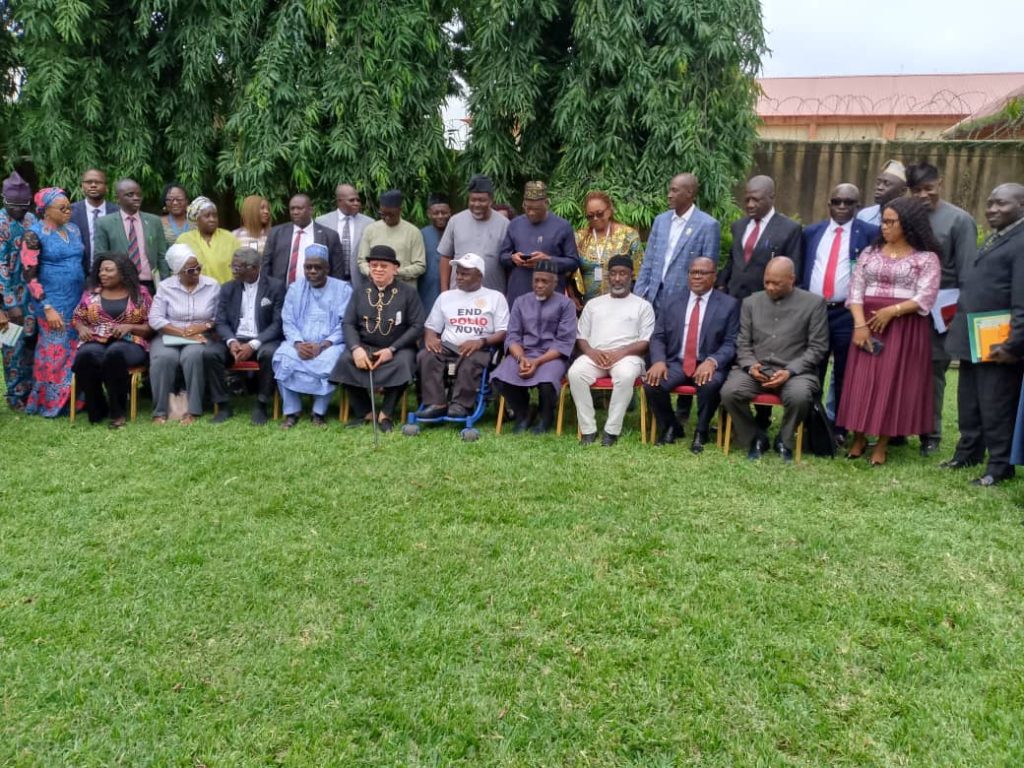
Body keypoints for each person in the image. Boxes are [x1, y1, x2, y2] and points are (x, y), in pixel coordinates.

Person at [837, 197, 941, 466]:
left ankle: (882, 443)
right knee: (862, 379)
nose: (883, 227)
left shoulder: (926, 259)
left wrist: (890, 311)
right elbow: (855, 290)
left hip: (904, 327)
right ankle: (858, 438)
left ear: (907, 224)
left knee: (892, 381)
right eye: (883, 221)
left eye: (890, 222)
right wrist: (860, 325)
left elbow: (925, 297)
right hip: (866, 324)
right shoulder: (870, 253)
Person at [942, 183, 1024, 487]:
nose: (992, 209)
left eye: (1001, 204)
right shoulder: (997, 237)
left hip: (999, 343)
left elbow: (1021, 300)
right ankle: (968, 453)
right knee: (970, 401)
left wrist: (1012, 343)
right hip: (974, 337)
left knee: (996, 405)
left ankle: (1000, 466)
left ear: (1021, 206)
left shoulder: (1021, 241)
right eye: (989, 203)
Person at [720, 257, 828, 462]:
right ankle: (755, 438)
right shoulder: (751, 302)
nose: (770, 287)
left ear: (792, 279)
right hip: (757, 370)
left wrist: (791, 371)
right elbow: (742, 343)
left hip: (795, 372)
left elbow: (817, 347)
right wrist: (751, 366)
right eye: (766, 282)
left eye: (776, 283)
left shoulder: (814, 304)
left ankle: (784, 440)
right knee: (730, 392)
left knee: (799, 396)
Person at [907, 160, 979, 456]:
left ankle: (931, 435)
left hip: (941, 312)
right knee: (904, 371)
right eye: (917, 190)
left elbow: (967, 275)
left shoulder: (959, 221)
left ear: (940, 184)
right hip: (906, 308)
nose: (924, 195)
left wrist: (957, 318)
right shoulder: (907, 216)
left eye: (929, 188)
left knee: (933, 375)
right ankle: (899, 429)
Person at [800, 183, 879, 431]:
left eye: (848, 202)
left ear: (858, 206)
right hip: (815, 311)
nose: (842, 207)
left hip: (847, 314)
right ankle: (811, 423)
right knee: (813, 368)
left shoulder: (870, 233)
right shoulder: (812, 232)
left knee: (845, 371)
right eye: (837, 201)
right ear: (829, 204)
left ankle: (840, 427)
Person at [645, 257, 739, 453]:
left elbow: (731, 342)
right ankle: (671, 426)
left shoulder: (728, 305)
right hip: (676, 362)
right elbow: (658, 336)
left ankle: (701, 431)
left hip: (708, 361)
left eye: (702, 273)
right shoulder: (672, 301)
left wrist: (713, 361)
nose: (697, 276)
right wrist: (659, 361)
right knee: (652, 383)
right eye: (693, 272)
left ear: (713, 277)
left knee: (710, 383)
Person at [330, 244, 425, 432]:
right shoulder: (359, 292)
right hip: (365, 346)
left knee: (404, 364)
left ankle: (386, 414)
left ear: (395, 269)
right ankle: (365, 413)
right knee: (345, 360)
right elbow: (348, 323)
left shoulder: (409, 293)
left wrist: (392, 349)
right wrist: (356, 349)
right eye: (374, 265)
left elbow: (417, 326)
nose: (378, 270)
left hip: (398, 348)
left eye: (383, 266)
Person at [569, 255, 655, 445]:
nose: (617, 278)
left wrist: (619, 354)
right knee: (575, 373)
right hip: (596, 355)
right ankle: (588, 429)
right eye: (614, 274)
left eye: (622, 274)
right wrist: (592, 353)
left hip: (629, 357)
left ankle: (611, 430)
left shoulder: (643, 306)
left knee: (625, 375)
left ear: (631, 276)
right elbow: (581, 337)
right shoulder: (593, 304)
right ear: (608, 276)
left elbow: (646, 342)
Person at [417, 253, 509, 419]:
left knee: (470, 359)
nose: (459, 277)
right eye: (458, 273)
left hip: (481, 346)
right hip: (449, 345)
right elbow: (431, 326)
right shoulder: (446, 297)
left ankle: (461, 405)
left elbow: (503, 331)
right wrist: (430, 337)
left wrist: (481, 341)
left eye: (465, 274)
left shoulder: (495, 297)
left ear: (479, 275)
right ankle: (436, 403)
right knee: (427, 355)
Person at [491, 260, 577, 434]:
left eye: (545, 281)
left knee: (546, 381)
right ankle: (524, 413)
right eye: (536, 280)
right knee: (500, 378)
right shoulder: (520, 302)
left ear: (555, 283)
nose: (539, 285)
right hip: (523, 353)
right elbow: (513, 335)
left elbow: (564, 341)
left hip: (552, 356)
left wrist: (537, 362)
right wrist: (521, 358)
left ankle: (546, 417)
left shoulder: (565, 305)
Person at [22, 187, 86, 416]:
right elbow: (30, 275)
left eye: (69, 206)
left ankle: (75, 401)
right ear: (46, 211)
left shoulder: (74, 229)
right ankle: (48, 403)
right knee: (54, 352)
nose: (68, 211)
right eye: (62, 208)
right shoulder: (34, 234)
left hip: (76, 299)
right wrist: (47, 307)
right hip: (51, 303)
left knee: (74, 351)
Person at [273, 244, 352, 428]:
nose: (312, 271)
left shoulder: (343, 289)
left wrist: (323, 345)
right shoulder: (295, 288)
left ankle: (318, 412)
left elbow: (345, 323)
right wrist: (298, 344)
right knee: (282, 357)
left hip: (330, 345)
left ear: (327, 269)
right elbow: (288, 320)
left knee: (331, 361)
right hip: (299, 344)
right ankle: (292, 411)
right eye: (308, 267)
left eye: (318, 267)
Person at [71, 252, 153, 427]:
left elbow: (151, 326)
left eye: (108, 270)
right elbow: (77, 317)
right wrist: (82, 328)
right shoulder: (91, 294)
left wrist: (130, 327)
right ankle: (97, 408)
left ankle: (117, 412)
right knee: (85, 357)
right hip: (96, 340)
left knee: (114, 354)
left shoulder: (140, 294)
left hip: (131, 342)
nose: (102, 274)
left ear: (122, 272)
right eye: (101, 270)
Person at [147, 243, 223, 424]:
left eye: (198, 268)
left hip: (200, 334)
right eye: (190, 270)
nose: (196, 272)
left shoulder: (212, 285)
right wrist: (182, 332)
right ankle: (160, 411)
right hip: (170, 334)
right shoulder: (165, 287)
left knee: (193, 356)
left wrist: (204, 325)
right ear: (177, 272)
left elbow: (219, 316)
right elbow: (155, 319)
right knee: (163, 359)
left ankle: (193, 410)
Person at [211, 247, 285, 425]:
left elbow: (278, 323)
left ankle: (261, 404)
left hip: (263, 339)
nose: (233, 270)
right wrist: (231, 341)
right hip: (235, 338)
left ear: (254, 268)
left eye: (238, 267)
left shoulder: (275, 287)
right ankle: (222, 405)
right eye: (233, 266)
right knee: (209, 353)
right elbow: (220, 321)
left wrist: (253, 344)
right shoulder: (228, 288)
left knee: (269, 354)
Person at [633, 173, 719, 312]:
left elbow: (708, 271)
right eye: (669, 190)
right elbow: (648, 260)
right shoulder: (660, 220)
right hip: (653, 297)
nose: (669, 195)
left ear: (689, 193)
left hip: (685, 300)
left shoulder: (707, 225)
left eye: (675, 190)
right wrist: (639, 294)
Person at [718, 175, 804, 301]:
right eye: (747, 200)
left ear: (771, 198)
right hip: (734, 299)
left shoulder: (789, 229)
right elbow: (733, 259)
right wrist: (721, 285)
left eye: (756, 200)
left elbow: (794, 271)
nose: (750, 205)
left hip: (766, 301)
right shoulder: (739, 226)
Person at [499, 180, 580, 306]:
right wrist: (513, 258)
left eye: (536, 209)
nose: (531, 212)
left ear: (546, 203)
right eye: (527, 208)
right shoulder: (515, 224)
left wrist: (548, 260)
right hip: (519, 294)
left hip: (551, 297)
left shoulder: (562, 226)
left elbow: (573, 262)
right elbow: (503, 257)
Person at [0, 171, 37, 410]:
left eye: (24, 205)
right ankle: (14, 396)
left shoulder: (31, 220)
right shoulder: (1, 224)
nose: (19, 210)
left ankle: (31, 392)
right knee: (12, 346)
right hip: (8, 297)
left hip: (32, 294)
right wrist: (10, 303)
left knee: (31, 342)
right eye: (14, 206)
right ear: (4, 201)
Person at [94, 178, 169, 294]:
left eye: (139, 194)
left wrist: (166, 283)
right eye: (130, 194)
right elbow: (100, 256)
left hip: (151, 284)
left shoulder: (154, 221)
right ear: (117, 198)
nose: (136, 198)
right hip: (120, 285)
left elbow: (161, 255)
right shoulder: (104, 223)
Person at [438, 174, 509, 294]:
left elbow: (508, 263)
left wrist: (507, 294)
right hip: (458, 294)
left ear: (491, 200)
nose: (476, 204)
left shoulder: (504, 224)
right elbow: (446, 257)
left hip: (491, 295)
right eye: (473, 200)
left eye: (481, 200)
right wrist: (444, 292)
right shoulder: (456, 221)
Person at [572, 191, 644, 306]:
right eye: (590, 216)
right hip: (589, 306)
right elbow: (571, 273)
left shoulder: (629, 235)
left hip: (623, 304)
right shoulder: (579, 238)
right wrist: (572, 296)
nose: (595, 218)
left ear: (609, 210)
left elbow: (640, 273)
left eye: (599, 214)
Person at [265, 193, 347, 284]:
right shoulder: (276, 233)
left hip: (318, 293)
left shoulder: (329, 236)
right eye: (292, 209)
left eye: (299, 208)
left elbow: (337, 272)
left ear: (311, 210)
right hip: (281, 294)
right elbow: (266, 266)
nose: (295, 212)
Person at [357, 189, 425, 288]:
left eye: (391, 214)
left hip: (403, 289)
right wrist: (372, 272)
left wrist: (395, 273)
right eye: (383, 214)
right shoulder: (370, 230)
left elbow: (420, 266)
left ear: (400, 210)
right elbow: (362, 261)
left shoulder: (413, 232)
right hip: (376, 288)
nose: (387, 218)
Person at [315, 183, 374, 292]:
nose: (356, 203)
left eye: (358, 200)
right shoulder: (322, 222)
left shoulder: (369, 223)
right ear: (339, 201)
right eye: (351, 200)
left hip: (360, 283)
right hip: (330, 282)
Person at [175, 197, 241, 284]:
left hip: (226, 292)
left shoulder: (229, 238)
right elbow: (178, 269)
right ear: (196, 219)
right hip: (196, 292)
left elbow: (240, 266)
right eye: (207, 216)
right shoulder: (184, 240)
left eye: (215, 215)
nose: (212, 219)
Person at [69, 168, 118, 275]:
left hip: (111, 274)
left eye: (98, 182)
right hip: (80, 273)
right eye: (88, 182)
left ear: (107, 187)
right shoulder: (70, 212)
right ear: (82, 186)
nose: (93, 185)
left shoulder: (118, 212)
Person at [419, 193, 451, 313]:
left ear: (450, 212)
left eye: (444, 212)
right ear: (429, 214)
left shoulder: (457, 232)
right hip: (427, 291)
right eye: (436, 213)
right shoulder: (421, 235)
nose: (440, 216)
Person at [857, 160, 906, 227]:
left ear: (902, 191)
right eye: (878, 183)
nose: (879, 187)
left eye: (887, 184)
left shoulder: (908, 218)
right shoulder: (864, 215)